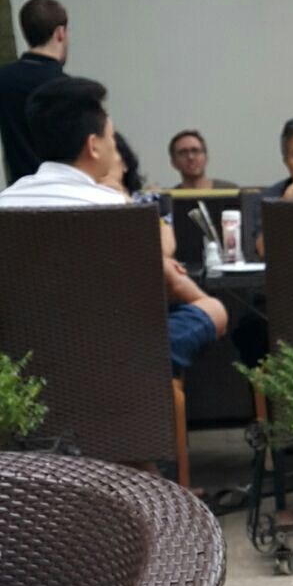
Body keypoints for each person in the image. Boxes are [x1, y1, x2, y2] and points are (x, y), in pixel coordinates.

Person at [0, 76, 227, 372]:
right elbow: (153, 290)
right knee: (214, 311)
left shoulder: (5, 202)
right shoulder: (116, 210)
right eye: (110, 137)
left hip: (18, 369)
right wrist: (187, 289)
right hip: (112, 367)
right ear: (93, 146)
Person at [0, 0, 69, 185]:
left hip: (19, 191)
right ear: (60, 33)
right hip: (60, 192)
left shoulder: (4, 79)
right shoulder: (67, 88)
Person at [168, 129, 233, 190]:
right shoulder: (169, 197)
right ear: (173, 162)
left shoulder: (231, 192)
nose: (190, 157)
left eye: (195, 151)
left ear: (206, 158)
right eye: (183, 153)